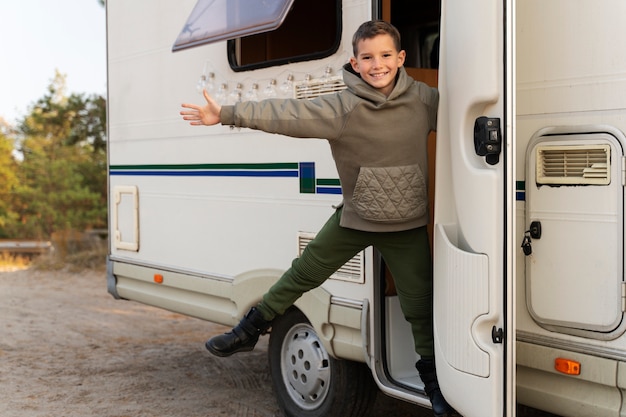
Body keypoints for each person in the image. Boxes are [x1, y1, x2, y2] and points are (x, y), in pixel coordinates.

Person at [180, 20, 458, 417]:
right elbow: (286, 113)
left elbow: (468, 118)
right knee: (302, 274)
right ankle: (248, 330)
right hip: (356, 218)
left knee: (419, 307)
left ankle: (434, 389)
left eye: (384, 56)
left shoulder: (425, 101)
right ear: (355, 62)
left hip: (406, 224)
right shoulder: (342, 107)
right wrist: (225, 113)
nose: (376, 65)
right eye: (367, 58)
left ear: (400, 58)